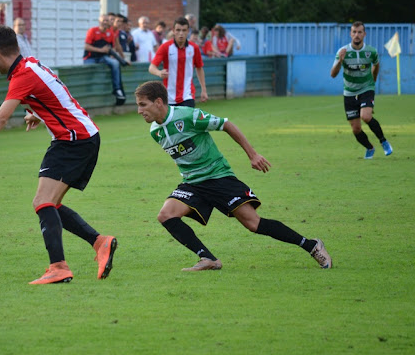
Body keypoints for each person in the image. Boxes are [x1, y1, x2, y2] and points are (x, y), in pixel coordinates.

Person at [0, 25, 117, 285]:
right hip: (81, 137)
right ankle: (99, 242)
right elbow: (56, 92)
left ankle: (58, 267)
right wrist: (38, 113)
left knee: (42, 201)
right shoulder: (30, 64)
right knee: (50, 204)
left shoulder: (22, 76)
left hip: (72, 140)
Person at [134, 80, 332, 271]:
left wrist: (253, 155)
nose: (139, 111)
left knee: (253, 224)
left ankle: (312, 245)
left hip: (219, 178)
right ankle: (208, 258)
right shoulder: (155, 131)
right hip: (193, 183)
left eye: (143, 105)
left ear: (158, 102)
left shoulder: (188, 116)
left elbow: (226, 124)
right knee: (166, 215)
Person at [330, 21, 393, 159]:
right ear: (350, 34)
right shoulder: (343, 52)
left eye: (359, 32)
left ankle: (384, 141)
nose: (356, 35)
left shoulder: (371, 51)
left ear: (364, 34)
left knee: (366, 116)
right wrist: (340, 61)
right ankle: (370, 148)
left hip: (366, 88)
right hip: (349, 93)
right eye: (354, 32)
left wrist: (374, 79)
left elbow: (376, 65)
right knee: (356, 129)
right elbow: (333, 74)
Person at [149, 16, 207, 107]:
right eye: (178, 30)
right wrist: (159, 73)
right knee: (170, 121)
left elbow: (199, 68)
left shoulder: (194, 48)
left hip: (188, 94)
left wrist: (204, 89)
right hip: (169, 95)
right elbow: (151, 67)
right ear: (173, 30)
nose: (181, 33)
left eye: (184, 30)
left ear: (188, 31)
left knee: (187, 120)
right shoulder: (165, 47)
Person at [83, 14, 127, 105]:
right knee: (88, 74)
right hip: (90, 57)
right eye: (104, 20)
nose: (105, 22)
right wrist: (101, 50)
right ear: (99, 22)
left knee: (115, 63)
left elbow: (113, 48)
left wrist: (119, 57)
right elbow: (86, 47)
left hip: (103, 57)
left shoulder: (110, 33)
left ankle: (117, 89)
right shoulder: (93, 31)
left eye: (107, 20)